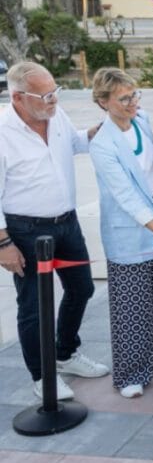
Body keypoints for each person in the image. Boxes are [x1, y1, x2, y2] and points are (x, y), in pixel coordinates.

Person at [0, 62, 108, 401]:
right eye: (45, 95)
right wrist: (3, 243)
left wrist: (99, 131)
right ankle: (42, 376)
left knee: (82, 288)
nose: (53, 100)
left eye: (56, 92)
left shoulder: (54, 115)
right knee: (33, 304)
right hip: (25, 230)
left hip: (67, 222)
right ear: (17, 96)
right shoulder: (2, 131)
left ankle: (65, 354)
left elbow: (74, 143)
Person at [90, 69, 153, 399]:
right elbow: (125, 195)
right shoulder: (102, 144)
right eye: (124, 98)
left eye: (135, 95)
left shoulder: (141, 120)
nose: (133, 103)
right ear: (103, 102)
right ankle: (131, 373)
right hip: (128, 223)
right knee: (132, 299)